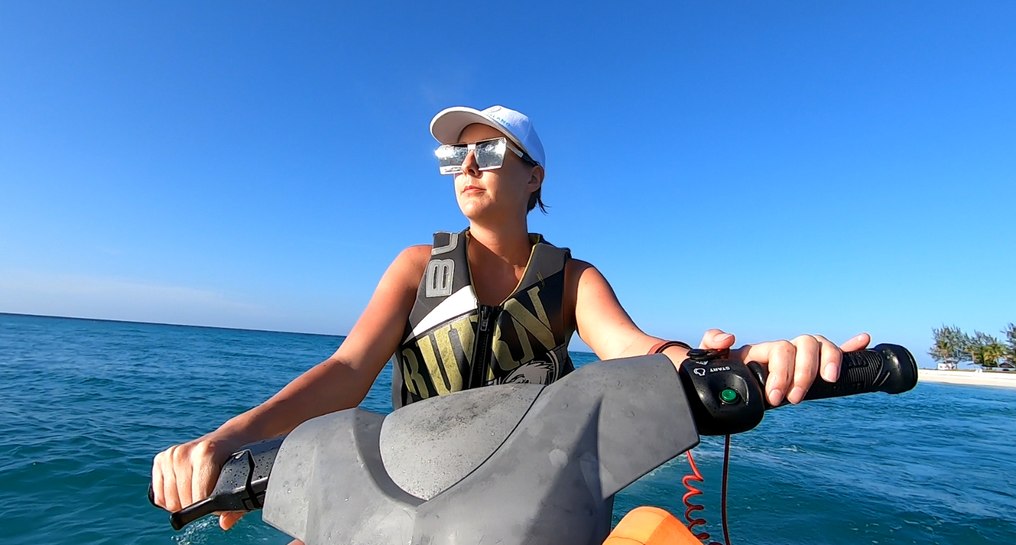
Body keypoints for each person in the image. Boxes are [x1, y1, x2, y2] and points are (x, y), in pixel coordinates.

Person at [151, 105, 870, 532]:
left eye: (487, 151)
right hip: (403, 501)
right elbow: (345, 372)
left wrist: (726, 364)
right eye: (454, 155)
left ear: (534, 178)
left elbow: (638, 350)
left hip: (536, 512)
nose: (467, 164)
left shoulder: (573, 280)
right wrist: (227, 439)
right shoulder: (416, 268)